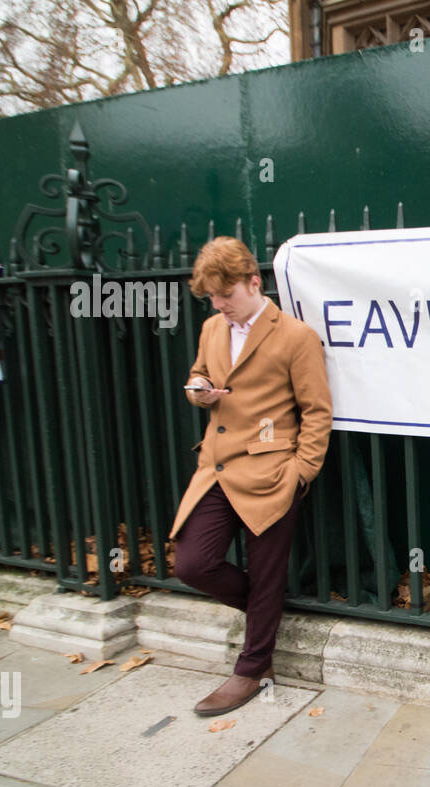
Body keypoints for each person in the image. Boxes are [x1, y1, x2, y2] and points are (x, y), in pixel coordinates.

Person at [168, 236, 332, 717]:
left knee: (265, 573)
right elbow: (199, 374)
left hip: (273, 473)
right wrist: (198, 390)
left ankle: (252, 668)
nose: (220, 306)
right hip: (218, 467)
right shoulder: (211, 329)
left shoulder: (296, 336)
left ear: (253, 282)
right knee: (192, 565)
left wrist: (301, 472)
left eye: (227, 296)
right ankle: (268, 610)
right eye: (213, 299)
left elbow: (317, 412)